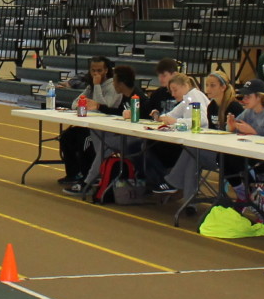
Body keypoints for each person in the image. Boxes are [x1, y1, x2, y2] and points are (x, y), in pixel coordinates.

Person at [66, 65, 152, 195]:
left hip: (139, 137)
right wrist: (99, 106)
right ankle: (100, 173)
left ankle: (88, 182)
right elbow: (117, 111)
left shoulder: (138, 97)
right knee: (98, 132)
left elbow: (146, 119)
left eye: (114, 81)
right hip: (126, 132)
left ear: (121, 83)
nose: (113, 85)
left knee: (106, 146)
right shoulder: (124, 96)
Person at [159, 72, 244, 200]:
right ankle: (190, 202)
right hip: (216, 150)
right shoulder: (212, 107)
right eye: (207, 85)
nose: (208, 89)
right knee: (193, 156)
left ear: (223, 87)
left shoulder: (234, 107)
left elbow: (203, 122)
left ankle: (173, 182)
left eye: (212, 86)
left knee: (192, 149)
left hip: (230, 155)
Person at [57, 56, 120, 185]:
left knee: (85, 141)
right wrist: (89, 99)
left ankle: (88, 177)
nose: (96, 74)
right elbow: (75, 103)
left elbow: (103, 107)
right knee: (66, 137)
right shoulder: (90, 86)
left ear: (106, 70)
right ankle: (73, 173)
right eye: (93, 71)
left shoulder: (112, 86)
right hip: (88, 124)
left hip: (104, 127)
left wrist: (97, 86)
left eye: (99, 70)